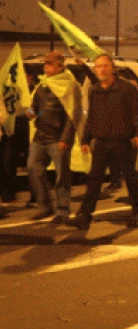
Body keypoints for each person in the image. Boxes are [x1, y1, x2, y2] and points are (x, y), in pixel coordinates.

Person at [71, 54, 138, 230]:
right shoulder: (95, 90)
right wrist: (86, 138)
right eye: (98, 66)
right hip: (102, 142)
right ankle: (85, 214)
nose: (101, 69)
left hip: (124, 141)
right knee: (94, 179)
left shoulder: (127, 89)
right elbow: (92, 117)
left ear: (112, 68)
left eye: (105, 66)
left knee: (130, 178)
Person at [26, 51, 82, 223]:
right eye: (45, 63)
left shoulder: (70, 85)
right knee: (33, 168)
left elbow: (73, 114)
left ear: (60, 65)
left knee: (61, 176)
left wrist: (65, 138)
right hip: (40, 137)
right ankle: (45, 206)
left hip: (58, 138)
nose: (46, 66)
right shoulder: (42, 85)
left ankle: (63, 210)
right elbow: (37, 108)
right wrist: (31, 113)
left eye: (49, 63)